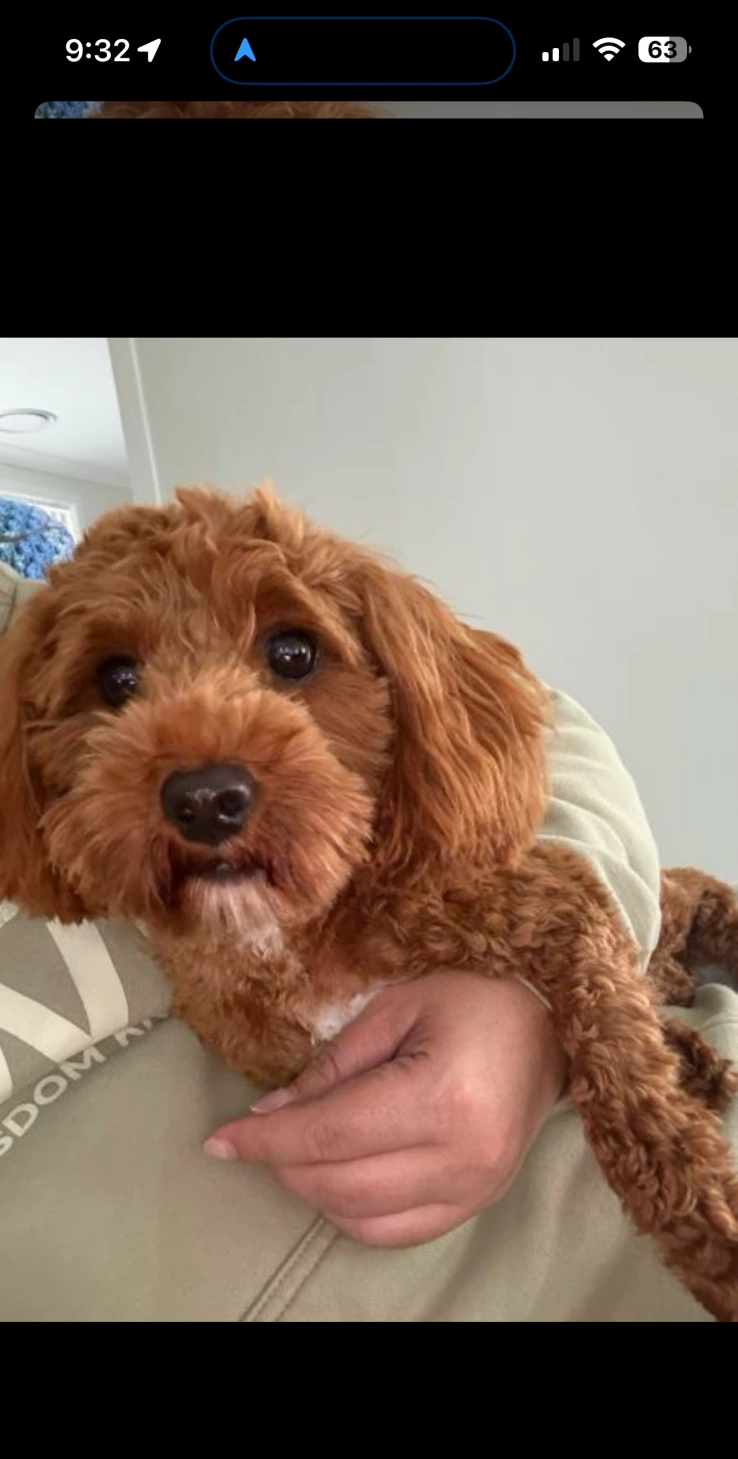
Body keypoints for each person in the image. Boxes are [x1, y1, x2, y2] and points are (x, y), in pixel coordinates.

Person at [1, 555, 736, 1321]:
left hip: (620, 1207)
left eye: (292, 657)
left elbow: (536, 722)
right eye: (120, 682)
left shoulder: (28, 609)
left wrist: (521, 998)